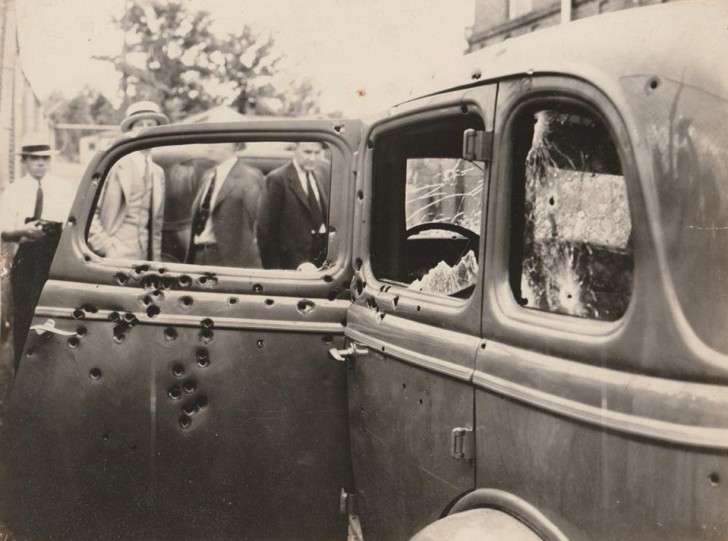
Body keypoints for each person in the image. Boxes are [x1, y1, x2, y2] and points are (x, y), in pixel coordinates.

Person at [0, 133, 74, 365]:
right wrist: (21, 231)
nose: (40, 163)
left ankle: (51, 369)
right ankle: (22, 370)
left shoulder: (64, 188)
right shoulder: (14, 190)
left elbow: (74, 224)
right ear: (24, 161)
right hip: (26, 257)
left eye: (45, 158)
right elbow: (3, 230)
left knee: (55, 313)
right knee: (24, 314)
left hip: (56, 257)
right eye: (34, 158)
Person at [88, 101, 168, 260]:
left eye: (151, 125)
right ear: (130, 132)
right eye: (139, 125)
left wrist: (155, 259)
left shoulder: (158, 172)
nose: (146, 130)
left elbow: (157, 226)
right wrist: (106, 247)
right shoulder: (114, 165)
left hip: (145, 257)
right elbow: (89, 212)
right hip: (115, 254)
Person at [186, 142, 264, 267]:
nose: (211, 145)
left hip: (227, 261)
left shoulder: (249, 177)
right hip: (199, 257)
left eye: (219, 141)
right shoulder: (208, 175)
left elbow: (257, 223)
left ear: (236, 146)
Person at [256, 142, 329, 270]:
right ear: (295, 150)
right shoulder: (277, 179)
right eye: (307, 152)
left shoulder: (320, 174)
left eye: (317, 153)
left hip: (320, 259)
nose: (312, 158)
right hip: (292, 263)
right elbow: (265, 230)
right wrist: (276, 272)